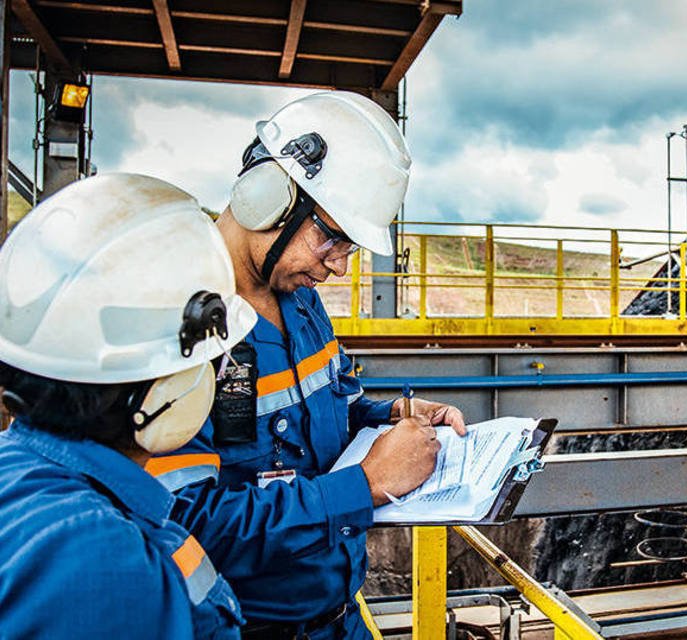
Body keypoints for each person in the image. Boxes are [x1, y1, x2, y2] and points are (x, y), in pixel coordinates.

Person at [148, 91, 466, 639]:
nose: (339, 268)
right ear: (266, 197)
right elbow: (184, 525)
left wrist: (390, 413)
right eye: (333, 239)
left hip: (341, 615)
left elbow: (327, 409)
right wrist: (363, 485)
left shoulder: (300, 299)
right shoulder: (177, 326)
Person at [0, 174, 258, 638]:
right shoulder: (103, 563)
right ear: (159, 394)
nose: (219, 376)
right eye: (211, 363)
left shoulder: (18, 475)